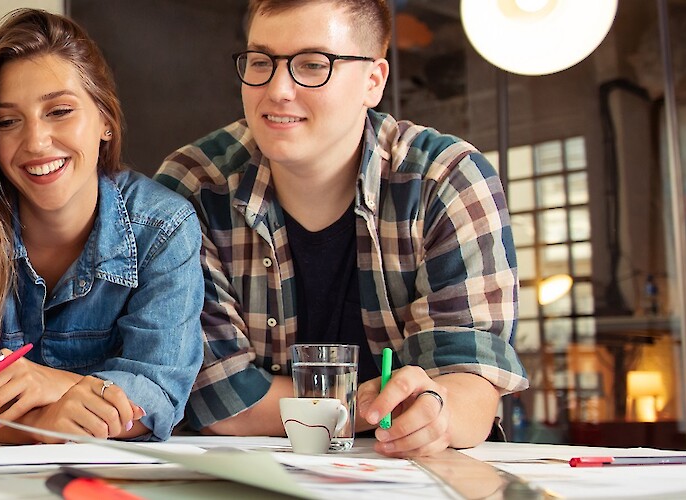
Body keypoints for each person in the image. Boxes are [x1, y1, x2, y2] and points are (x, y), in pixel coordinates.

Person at [155, 0, 528, 457]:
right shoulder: (195, 186)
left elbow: (470, 381)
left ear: (373, 81)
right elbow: (220, 400)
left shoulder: (445, 180)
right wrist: (371, 407)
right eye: (261, 62)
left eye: (313, 65)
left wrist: (437, 412)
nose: (278, 90)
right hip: (250, 473)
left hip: (408, 471)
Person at [0, 9, 203, 443]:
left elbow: (159, 394)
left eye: (60, 111)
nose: (35, 142)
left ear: (105, 120)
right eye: (7, 121)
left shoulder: (163, 228)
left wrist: (54, 384)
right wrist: (42, 426)